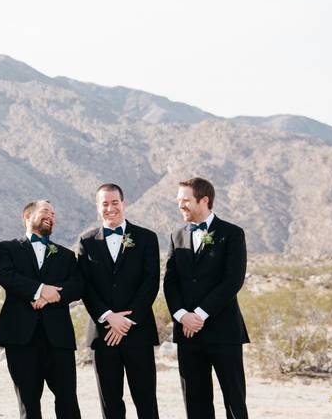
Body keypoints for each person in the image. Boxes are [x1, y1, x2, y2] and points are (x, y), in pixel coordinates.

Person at [163, 177, 250, 419]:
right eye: (179, 201)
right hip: (188, 334)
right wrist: (182, 317)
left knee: (234, 401)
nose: (181, 205)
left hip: (224, 332)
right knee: (195, 401)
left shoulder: (232, 234)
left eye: (185, 200)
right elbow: (170, 282)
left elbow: (233, 280)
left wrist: (199, 315)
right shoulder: (176, 235)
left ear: (204, 200)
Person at [0, 200, 82, 419]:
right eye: (45, 211)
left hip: (58, 339)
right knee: (28, 403)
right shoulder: (7, 248)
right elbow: (6, 275)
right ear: (27, 216)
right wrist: (40, 290)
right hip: (21, 338)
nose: (50, 216)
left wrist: (51, 296)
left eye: (53, 213)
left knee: (68, 401)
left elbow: (78, 286)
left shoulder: (66, 255)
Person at [76, 184, 160, 419]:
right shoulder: (87, 241)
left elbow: (151, 282)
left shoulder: (146, 238)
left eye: (114, 202)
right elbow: (86, 286)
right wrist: (108, 316)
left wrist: (127, 320)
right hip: (103, 335)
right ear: (97, 207)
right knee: (110, 402)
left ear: (123, 203)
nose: (110, 208)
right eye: (105, 203)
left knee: (146, 400)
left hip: (138, 332)